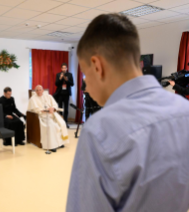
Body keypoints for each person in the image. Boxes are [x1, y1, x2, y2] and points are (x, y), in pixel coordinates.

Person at [67, 14, 189, 212]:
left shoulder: (99, 130)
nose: (86, 87)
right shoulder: (185, 112)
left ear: (97, 66)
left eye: (85, 74)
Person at [28, 85, 69, 153]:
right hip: (42, 117)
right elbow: (34, 109)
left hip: (52, 115)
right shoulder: (33, 98)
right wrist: (44, 110)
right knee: (51, 126)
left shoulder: (48, 96)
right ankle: (51, 146)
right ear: (35, 91)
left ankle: (60, 143)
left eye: (40, 90)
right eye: (37, 90)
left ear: (43, 90)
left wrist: (52, 108)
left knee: (62, 123)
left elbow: (55, 105)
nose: (39, 92)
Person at [54, 63, 74, 128]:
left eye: (65, 68)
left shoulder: (70, 74)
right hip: (60, 94)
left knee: (66, 109)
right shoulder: (58, 74)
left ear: (67, 68)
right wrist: (60, 78)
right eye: (63, 68)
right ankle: (60, 123)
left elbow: (72, 84)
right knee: (60, 108)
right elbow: (56, 84)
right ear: (61, 68)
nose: (64, 69)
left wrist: (67, 80)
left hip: (66, 94)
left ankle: (65, 123)